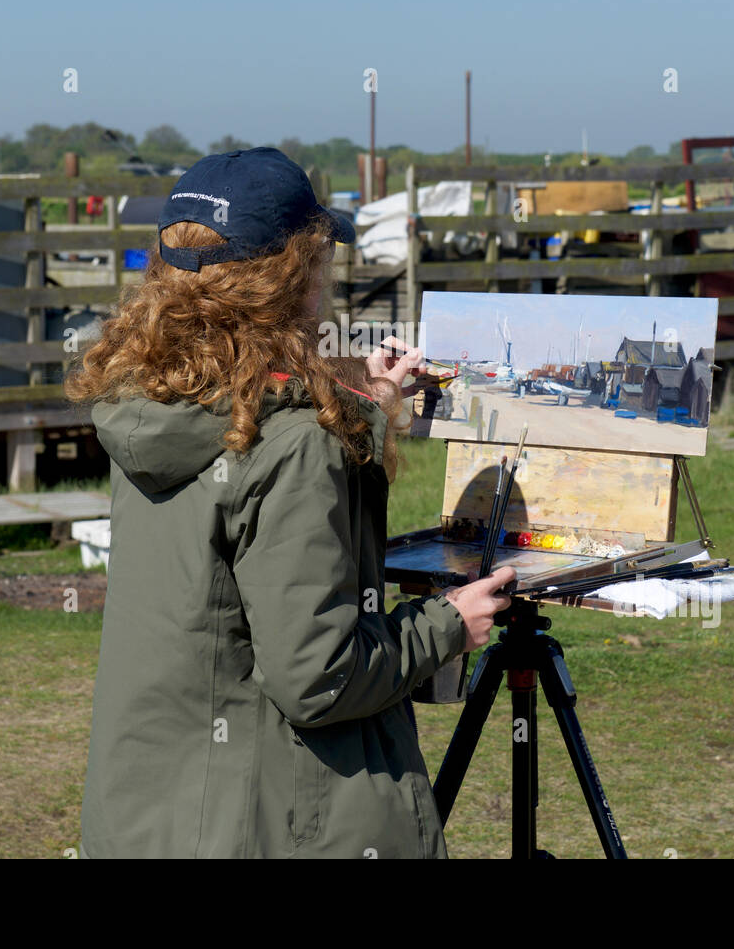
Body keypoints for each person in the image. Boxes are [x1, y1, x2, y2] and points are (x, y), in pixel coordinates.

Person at [66, 146, 513, 858]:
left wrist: (364, 400)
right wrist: (446, 625)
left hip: (150, 818)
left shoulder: (151, 400)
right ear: (297, 276)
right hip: (265, 824)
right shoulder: (298, 447)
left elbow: (251, 415)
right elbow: (319, 677)